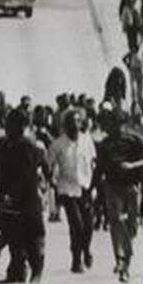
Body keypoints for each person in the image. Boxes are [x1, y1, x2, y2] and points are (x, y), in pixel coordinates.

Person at [0, 108, 49, 284]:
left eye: (11, 124)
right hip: (7, 195)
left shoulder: (28, 146)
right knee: (12, 232)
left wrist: (13, 194)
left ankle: (36, 270)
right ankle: (16, 272)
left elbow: (27, 175)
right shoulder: (4, 144)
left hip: (27, 198)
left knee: (32, 236)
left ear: (20, 127)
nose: (7, 127)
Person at [93, 105, 143, 282]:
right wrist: (93, 190)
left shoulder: (135, 141)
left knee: (131, 227)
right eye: (110, 123)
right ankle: (122, 261)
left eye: (117, 123)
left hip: (132, 187)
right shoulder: (104, 144)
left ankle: (125, 255)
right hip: (112, 186)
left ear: (123, 123)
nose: (113, 127)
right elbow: (99, 168)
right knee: (116, 220)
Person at [46, 109, 96, 273]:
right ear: (65, 126)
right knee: (77, 225)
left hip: (85, 186)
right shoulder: (58, 144)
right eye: (71, 122)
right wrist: (51, 181)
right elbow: (49, 164)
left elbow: (93, 162)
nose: (75, 125)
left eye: (77, 121)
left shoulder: (87, 140)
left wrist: (94, 184)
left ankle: (86, 250)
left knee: (88, 225)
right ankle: (76, 260)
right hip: (66, 189)